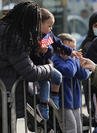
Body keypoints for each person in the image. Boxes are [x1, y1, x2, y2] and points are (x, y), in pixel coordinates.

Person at [0, 1, 56, 132]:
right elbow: (31, 72)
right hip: (6, 97)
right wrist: (50, 67)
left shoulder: (5, 29)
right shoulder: (13, 36)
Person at [52, 33, 90, 133]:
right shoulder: (55, 59)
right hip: (63, 102)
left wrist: (79, 61)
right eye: (70, 49)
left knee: (78, 128)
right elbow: (69, 72)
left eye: (74, 49)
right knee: (70, 128)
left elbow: (84, 75)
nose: (73, 52)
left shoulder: (72, 60)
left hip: (75, 102)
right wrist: (71, 58)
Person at [30, 8, 63, 120]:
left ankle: (53, 97)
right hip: (37, 68)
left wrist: (70, 51)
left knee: (57, 77)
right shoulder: (32, 36)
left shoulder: (48, 35)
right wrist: (39, 51)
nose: (51, 28)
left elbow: (58, 43)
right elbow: (31, 56)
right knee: (45, 83)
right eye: (49, 25)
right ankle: (43, 106)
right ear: (39, 24)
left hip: (46, 66)